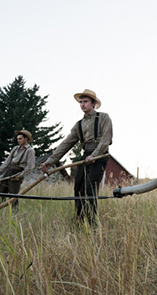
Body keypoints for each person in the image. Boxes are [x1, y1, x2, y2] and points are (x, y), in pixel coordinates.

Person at [41, 89, 112, 225]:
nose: (82, 105)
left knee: (89, 188)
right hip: (85, 156)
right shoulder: (79, 124)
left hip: (100, 155)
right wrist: (50, 161)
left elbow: (106, 139)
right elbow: (66, 144)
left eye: (85, 101)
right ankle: (79, 222)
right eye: (80, 102)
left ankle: (91, 224)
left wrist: (94, 155)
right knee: (78, 188)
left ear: (93, 103)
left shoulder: (103, 117)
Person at [0, 129, 36, 212]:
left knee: (13, 195)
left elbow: (30, 166)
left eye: (20, 139)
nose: (18, 140)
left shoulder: (30, 151)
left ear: (26, 139)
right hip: (9, 171)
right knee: (0, 192)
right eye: (17, 139)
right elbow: (7, 162)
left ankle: (15, 213)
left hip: (17, 172)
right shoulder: (15, 149)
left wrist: (20, 175)